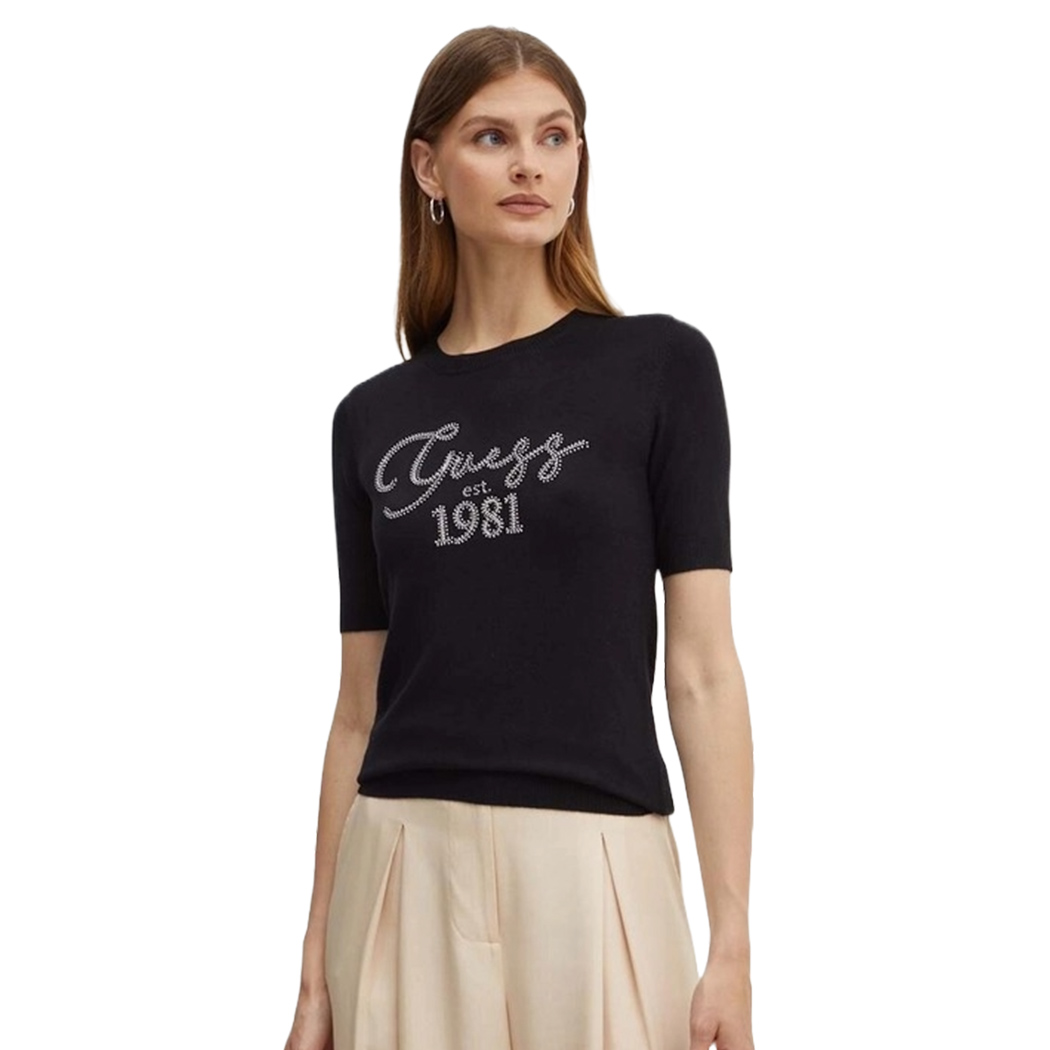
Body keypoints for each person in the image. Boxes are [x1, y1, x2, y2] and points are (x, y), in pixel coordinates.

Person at [284, 25, 755, 1050]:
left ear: (581, 162)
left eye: (555, 136)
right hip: (400, 855)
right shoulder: (371, 420)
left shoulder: (661, 369)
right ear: (429, 168)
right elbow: (357, 710)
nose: (531, 164)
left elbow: (704, 671)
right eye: (492, 137)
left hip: (598, 858)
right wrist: (315, 967)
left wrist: (732, 941)